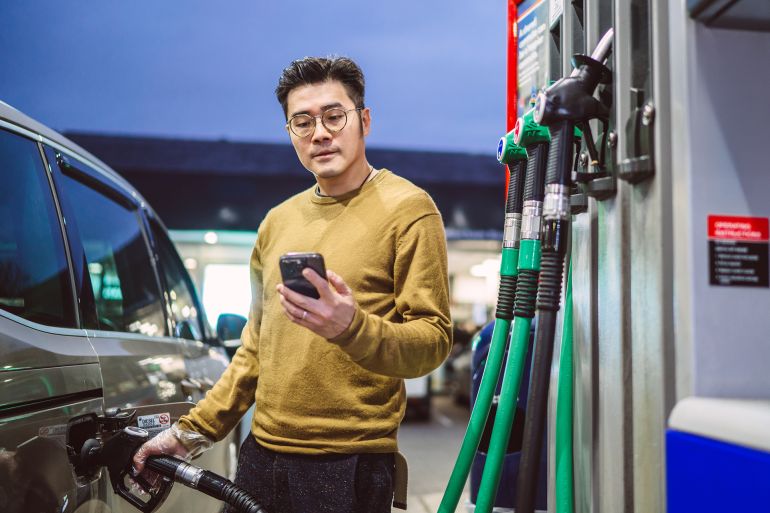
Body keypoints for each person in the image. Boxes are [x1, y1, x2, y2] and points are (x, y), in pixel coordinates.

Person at [132, 56, 452, 513]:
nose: (319, 133)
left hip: (349, 463)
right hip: (262, 457)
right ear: (290, 135)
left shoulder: (409, 209)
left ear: (364, 120)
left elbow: (433, 341)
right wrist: (189, 434)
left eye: (333, 116)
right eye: (301, 122)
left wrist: (351, 327)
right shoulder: (276, 222)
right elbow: (254, 350)